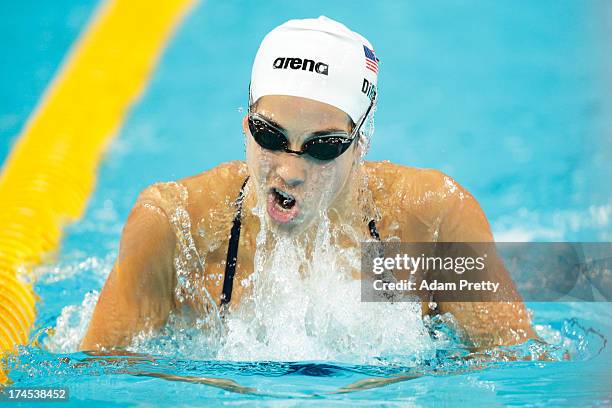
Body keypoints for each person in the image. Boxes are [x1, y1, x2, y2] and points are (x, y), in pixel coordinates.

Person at [81, 16, 535, 352]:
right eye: (270, 136)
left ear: (360, 144)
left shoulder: (431, 225)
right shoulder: (176, 230)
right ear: (245, 124)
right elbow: (99, 382)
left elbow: (517, 364)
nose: (290, 170)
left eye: (323, 146)